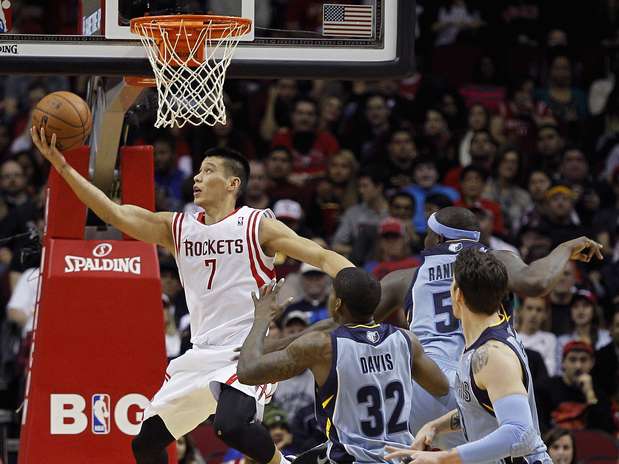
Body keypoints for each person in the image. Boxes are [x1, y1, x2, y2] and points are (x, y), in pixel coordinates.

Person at [30, 128, 354, 464]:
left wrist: (359, 287)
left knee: (231, 426)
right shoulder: (178, 227)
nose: (198, 177)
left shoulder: (256, 225)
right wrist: (63, 167)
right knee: (145, 444)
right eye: (198, 171)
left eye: (210, 171)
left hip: (245, 351)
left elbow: (322, 257)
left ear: (233, 185)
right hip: (199, 355)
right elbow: (116, 214)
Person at [374, 206, 603, 449]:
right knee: (516, 447)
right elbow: (537, 283)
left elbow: (350, 319)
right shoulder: (497, 260)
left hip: (428, 382)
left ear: (438, 238)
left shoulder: (404, 277)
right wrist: (565, 248)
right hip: (485, 373)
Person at [237, 269, 449, 463]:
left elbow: (247, 371)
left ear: (337, 303)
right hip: (400, 456)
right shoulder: (406, 340)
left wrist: (261, 318)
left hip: (352, 458)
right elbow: (441, 387)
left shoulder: (322, 347)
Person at [384, 249, 551, 464]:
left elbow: (520, 434)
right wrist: (436, 426)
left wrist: (444, 458)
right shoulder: (478, 343)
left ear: (458, 294)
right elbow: (480, 409)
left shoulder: (492, 355)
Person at [536, 341, 615, 433]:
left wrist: (590, 394)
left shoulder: (598, 393)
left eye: (583, 360)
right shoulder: (545, 388)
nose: (578, 366)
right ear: (563, 362)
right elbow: (539, 425)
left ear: (592, 363)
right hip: (555, 444)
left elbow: (605, 430)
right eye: (572, 360)